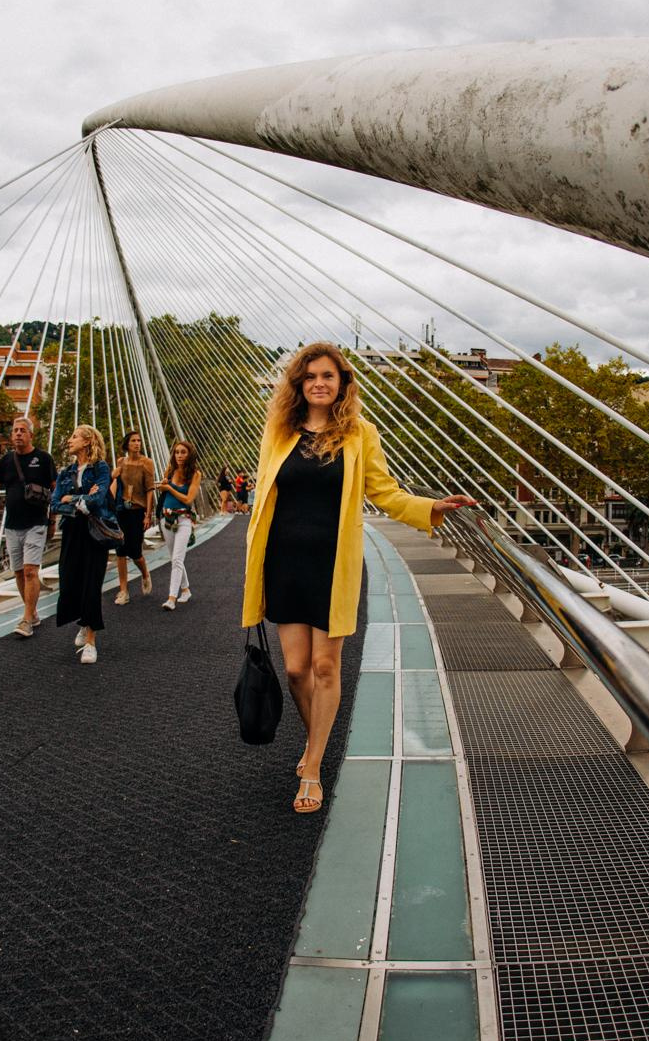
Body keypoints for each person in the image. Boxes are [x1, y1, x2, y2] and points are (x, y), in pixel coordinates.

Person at [244, 342, 475, 812]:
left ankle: (312, 767)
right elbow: (265, 495)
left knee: (326, 667)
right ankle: (318, 742)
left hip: (332, 565)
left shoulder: (360, 433)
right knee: (294, 670)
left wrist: (430, 508)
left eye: (328, 375)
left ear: (342, 382)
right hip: (285, 562)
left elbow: (385, 492)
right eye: (310, 377)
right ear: (298, 384)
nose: (319, 383)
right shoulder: (279, 430)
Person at [0, 414, 55, 639]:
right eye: (15, 430)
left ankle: (27, 618)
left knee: (30, 571)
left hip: (36, 523)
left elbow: (55, 490)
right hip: (12, 525)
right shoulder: (7, 461)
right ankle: (33, 612)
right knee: (18, 572)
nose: (18, 433)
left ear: (30, 435)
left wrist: (53, 520)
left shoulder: (44, 459)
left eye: (22, 430)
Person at [52, 424, 116, 664]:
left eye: (74, 436)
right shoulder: (65, 472)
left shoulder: (100, 468)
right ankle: (84, 620)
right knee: (69, 581)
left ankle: (91, 641)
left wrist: (74, 499)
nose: (69, 440)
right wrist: (81, 500)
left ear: (88, 442)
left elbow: (98, 500)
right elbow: (55, 503)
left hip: (94, 532)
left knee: (91, 583)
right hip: (71, 531)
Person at [154, 438, 203, 610]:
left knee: (177, 558)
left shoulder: (195, 474)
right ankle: (186, 590)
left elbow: (188, 499)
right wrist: (164, 485)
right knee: (175, 559)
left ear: (189, 454)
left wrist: (170, 489)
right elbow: (164, 490)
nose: (179, 455)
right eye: (176, 452)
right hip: (166, 519)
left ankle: (171, 599)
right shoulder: (170, 470)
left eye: (183, 452)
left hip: (184, 520)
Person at [109, 430, 155, 605]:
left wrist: (148, 514)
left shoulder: (147, 463)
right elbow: (116, 484)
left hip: (137, 510)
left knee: (135, 552)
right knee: (120, 551)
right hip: (121, 509)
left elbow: (150, 489)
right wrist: (112, 476)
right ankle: (123, 591)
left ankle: (145, 574)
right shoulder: (121, 462)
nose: (137, 443)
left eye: (139, 441)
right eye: (133, 440)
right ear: (127, 444)